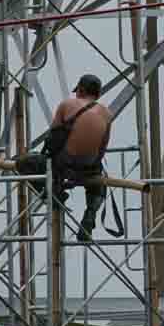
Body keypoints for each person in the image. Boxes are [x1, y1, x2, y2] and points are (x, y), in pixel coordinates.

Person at [48, 73, 112, 244]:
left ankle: (55, 194)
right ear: (98, 94)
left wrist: (48, 159)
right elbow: (103, 146)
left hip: (65, 162)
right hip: (89, 164)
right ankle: (89, 218)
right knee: (98, 182)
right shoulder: (106, 113)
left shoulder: (67, 104)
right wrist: (93, 166)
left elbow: (52, 137)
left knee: (27, 164)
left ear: (81, 90)